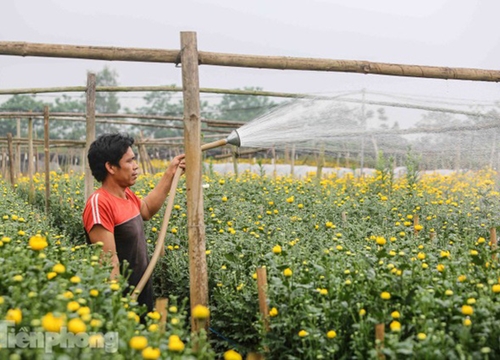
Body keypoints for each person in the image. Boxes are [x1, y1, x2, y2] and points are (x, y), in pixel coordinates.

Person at [82, 133, 185, 312]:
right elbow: (108, 262)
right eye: (130, 161)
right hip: (125, 303)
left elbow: (145, 210)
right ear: (111, 167)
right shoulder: (99, 203)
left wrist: (171, 173)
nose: (136, 166)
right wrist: (119, 309)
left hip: (141, 297)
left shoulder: (125, 194)